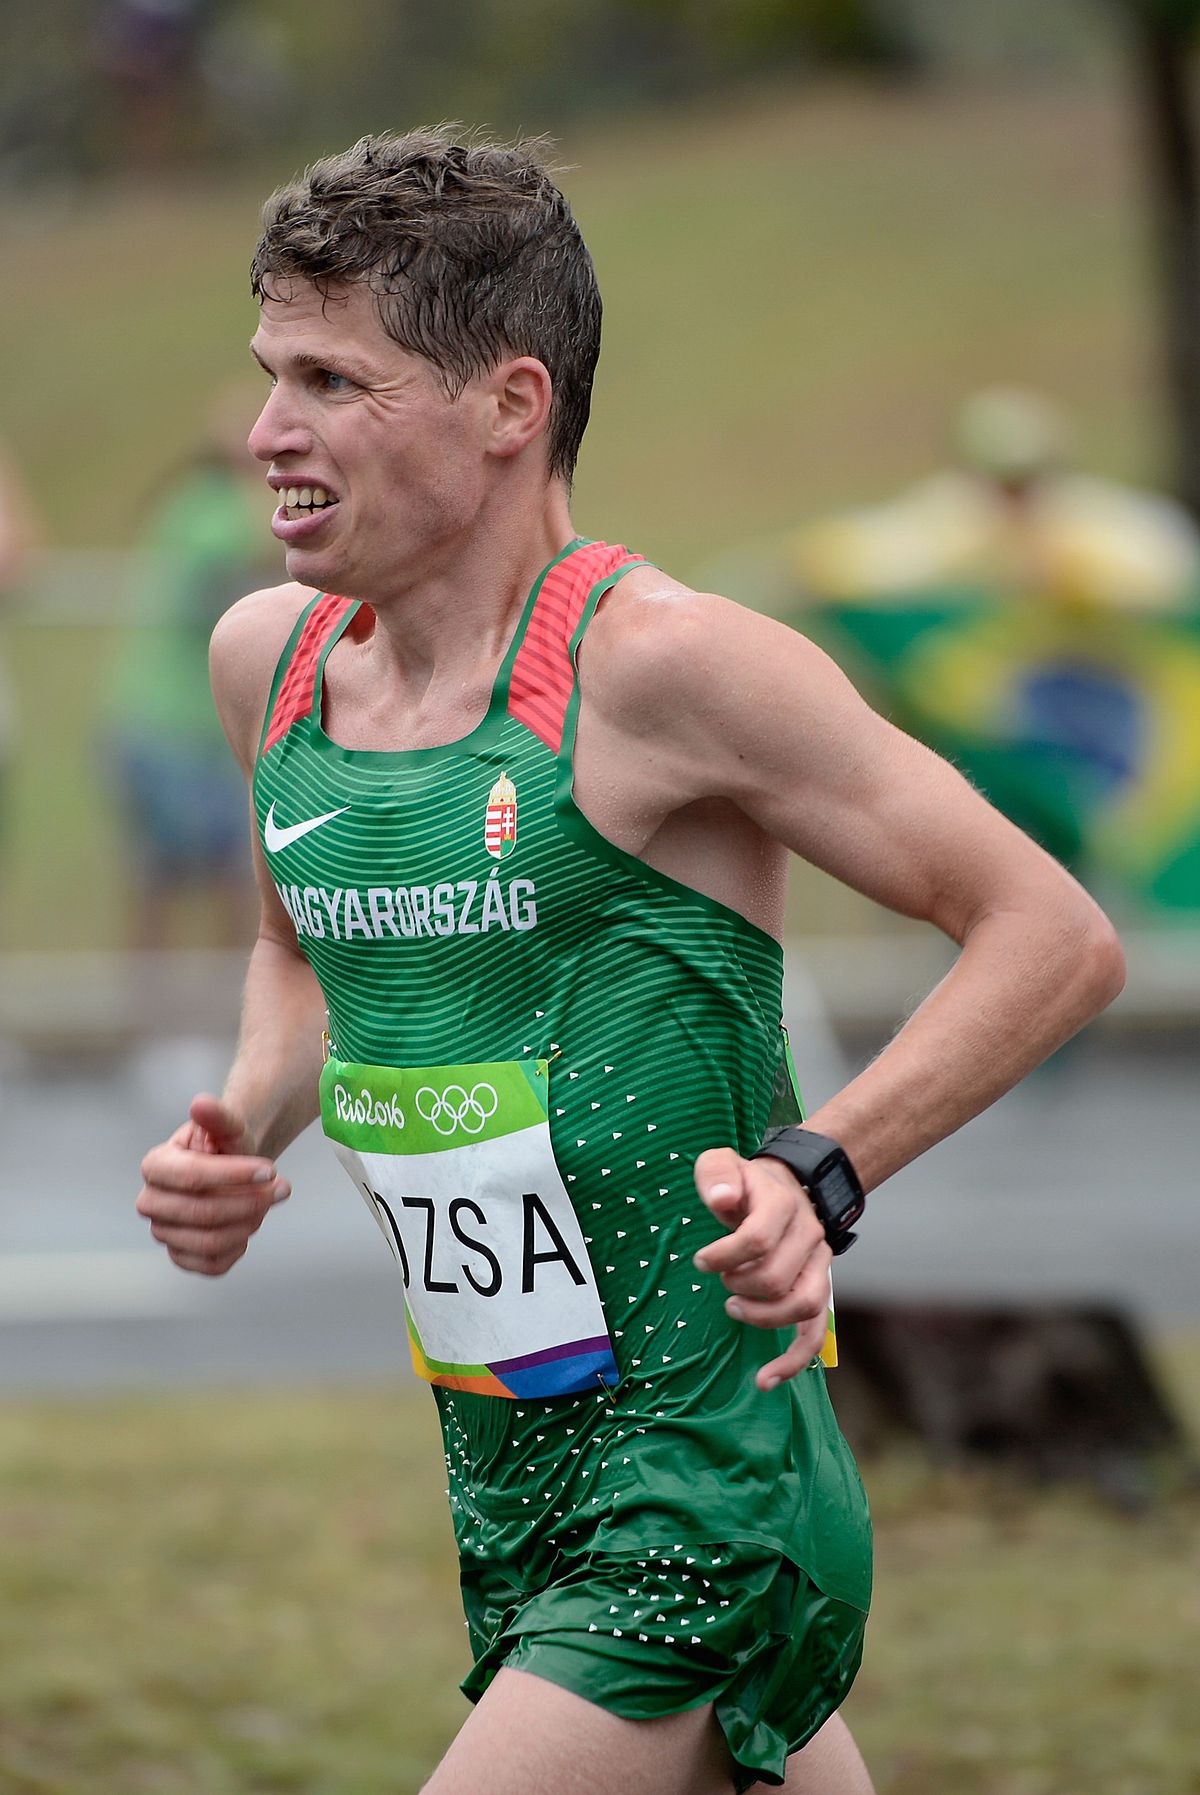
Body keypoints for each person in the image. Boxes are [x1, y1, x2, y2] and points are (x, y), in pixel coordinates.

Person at [135, 130, 1126, 1795]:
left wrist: (822, 1169)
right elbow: (297, 955)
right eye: (269, 375)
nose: (267, 434)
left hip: (702, 1483)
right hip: (511, 1468)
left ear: (510, 405)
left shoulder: (663, 669)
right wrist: (243, 1122)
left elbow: (1054, 936)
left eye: (333, 382)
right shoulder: (273, 666)